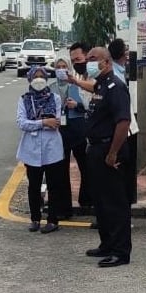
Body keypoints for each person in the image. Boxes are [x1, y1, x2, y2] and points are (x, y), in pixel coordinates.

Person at [78, 48, 133, 268]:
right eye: (88, 59)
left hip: (110, 150)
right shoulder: (100, 85)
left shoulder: (116, 87)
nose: (89, 63)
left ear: (107, 62)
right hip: (96, 150)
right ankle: (107, 244)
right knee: (100, 202)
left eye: (93, 59)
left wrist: (112, 153)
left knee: (115, 203)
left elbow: (123, 122)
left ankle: (120, 252)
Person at [16, 66, 68, 234]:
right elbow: (21, 123)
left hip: (52, 148)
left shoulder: (55, 98)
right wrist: (43, 123)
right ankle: (35, 219)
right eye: (35, 77)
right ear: (30, 79)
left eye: (42, 77)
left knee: (54, 186)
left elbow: (57, 122)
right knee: (34, 186)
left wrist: (37, 123)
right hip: (31, 150)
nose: (39, 80)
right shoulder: (24, 99)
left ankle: (53, 220)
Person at [50, 58, 87, 218]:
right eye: (58, 67)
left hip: (78, 131)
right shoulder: (50, 88)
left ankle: (86, 201)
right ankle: (64, 209)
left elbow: (89, 106)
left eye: (64, 66)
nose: (61, 69)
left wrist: (77, 106)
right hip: (59, 133)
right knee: (61, 172)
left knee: (86, 168)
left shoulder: (78, 86)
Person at [109, 38, 139, 206]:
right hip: (121, 131)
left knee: (126, 173)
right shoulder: (113, 75)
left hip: (130, 128)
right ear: (122, 53)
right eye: (126, 50)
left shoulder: (121, 71)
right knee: (120, 174)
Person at [68, 42, 95, 209]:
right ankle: (86, 201)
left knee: (94, 171)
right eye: (73, 61)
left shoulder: (96, 77)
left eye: (78, 59)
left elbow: (95, 93)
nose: (76, 63)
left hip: (102, 134)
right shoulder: (81, 78)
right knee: (86, 169)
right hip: (85, 131)